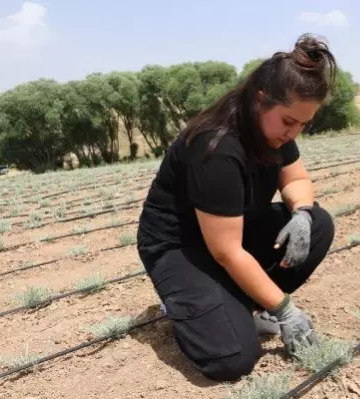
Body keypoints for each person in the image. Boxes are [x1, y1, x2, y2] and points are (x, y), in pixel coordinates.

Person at [136, 33, 337, 382]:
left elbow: (297, 180)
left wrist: (302, 213)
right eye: (289, 121)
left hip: (231, 232)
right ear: (260, 100)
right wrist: (285, 310)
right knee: (231, 358)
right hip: (181, 247)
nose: (294, 133)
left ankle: (243, 306)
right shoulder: (218, 146)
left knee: (318, 224)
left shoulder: (275, 132)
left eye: (303, 125)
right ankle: (189, 307)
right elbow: (227, 251)